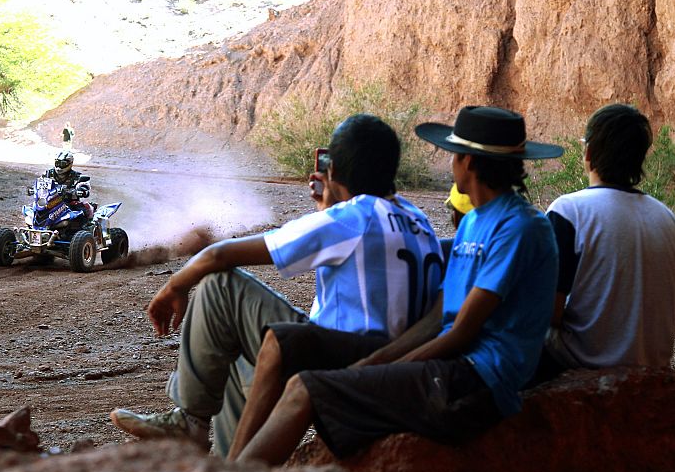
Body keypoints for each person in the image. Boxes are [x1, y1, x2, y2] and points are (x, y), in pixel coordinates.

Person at [232, 105, 563, 466]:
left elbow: (462, 331)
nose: (451, 162)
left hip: (477, 381)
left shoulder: (521, 227)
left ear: (467, 161)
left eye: (453, 155)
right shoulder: (473, 223)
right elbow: (437, 317)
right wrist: (374, 361)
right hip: (454, 366)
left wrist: (382, 370)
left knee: (305, 389)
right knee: (294, 354)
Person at [110, 114, 445, 453]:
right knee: (230, 357)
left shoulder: (353, 218)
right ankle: (229, 466)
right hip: (394, 363)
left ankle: (191, 421)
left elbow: (219, 256)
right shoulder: (417, 218)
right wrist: (329, 206)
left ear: (334, 169)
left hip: (343, 359)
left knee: (219, 288)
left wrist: (175, 286)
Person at [529, 104, 675, 385]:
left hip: (582, 367)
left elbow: (547, 313)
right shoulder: (669, 219)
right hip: (652, 370)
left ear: (588, 152)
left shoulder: (569, 211)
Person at [44, 150, 93, 219]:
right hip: (50, 203)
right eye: (57, 163)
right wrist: (33, 189)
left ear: (70, 163)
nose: (59, 166)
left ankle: (90, 224)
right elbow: (40, 183)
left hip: (70, 204)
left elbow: (84, 186)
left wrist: (81, 190)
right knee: (34, 209)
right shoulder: (48, 174)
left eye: (63, 164)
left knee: (85, 209)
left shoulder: (77, 176)